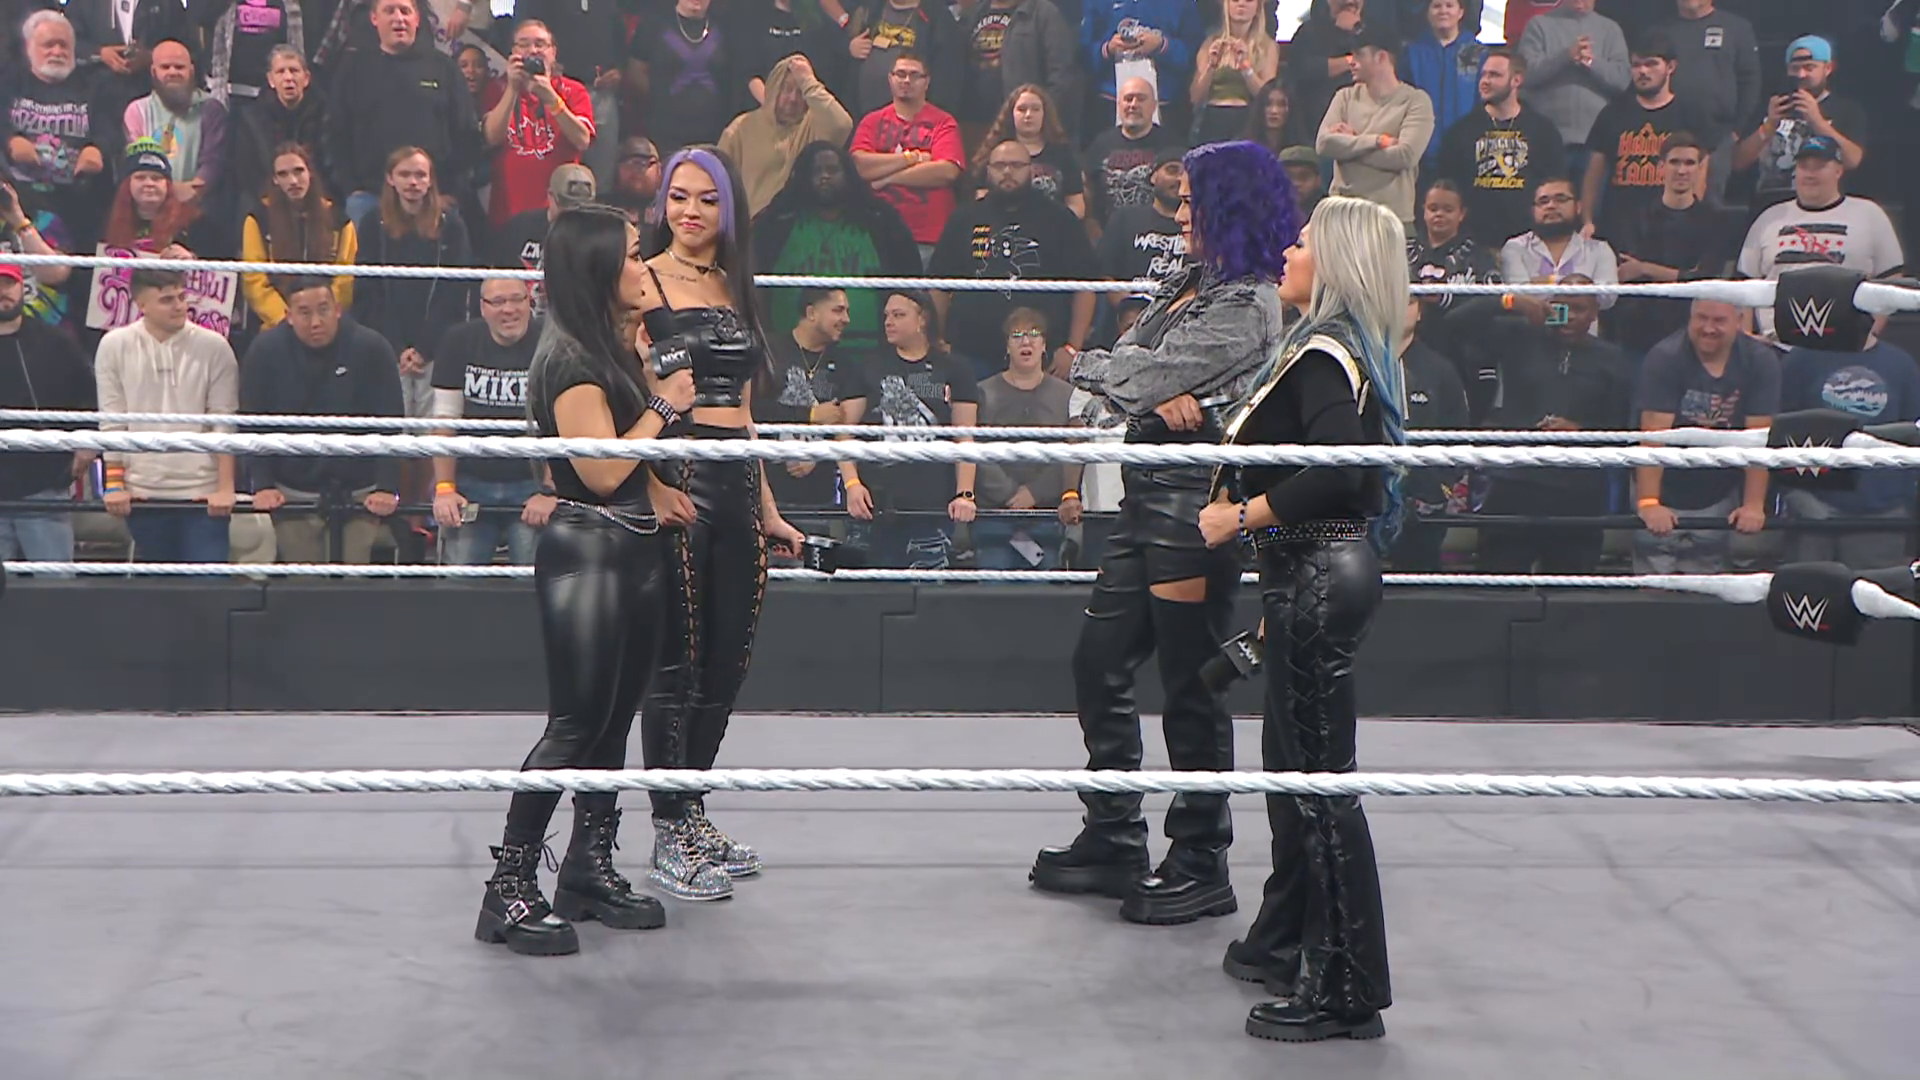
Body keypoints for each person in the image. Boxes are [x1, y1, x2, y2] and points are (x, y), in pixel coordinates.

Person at [1032, 141, 1295, 926]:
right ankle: (1114, 833)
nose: (1178, 214)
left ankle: (1201, 857)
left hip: (1193, 502)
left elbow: (1136, 375)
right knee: (1098, 661)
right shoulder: (1189, 283)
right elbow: (1136, 369)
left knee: (1189, 682)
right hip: (1145, 493)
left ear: (1227, 210)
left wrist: (1101, 371)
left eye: (1190, 202)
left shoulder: (1249, 303)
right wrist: (1138, 384)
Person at [1196, 195, 1405, 1043]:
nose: (1288, 250)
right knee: (1294, 776)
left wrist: (1239, 518)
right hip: (1309, 570)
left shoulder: (1325, 354)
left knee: (1320, 788)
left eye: (1306, 241)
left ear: (1338, 262)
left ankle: (1347, 989)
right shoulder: (1333, 347)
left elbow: (1337, 475)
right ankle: (1289, 939)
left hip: (1318, 570)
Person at [475, 205, 698, 957]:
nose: (646, 265)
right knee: (574, 725)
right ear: (599, 268)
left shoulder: (610, 344)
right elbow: (600, 471)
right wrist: (664, 406)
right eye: (633, 255)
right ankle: (508, 887)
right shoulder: (570, 357)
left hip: (632, 548)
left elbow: (627, 463)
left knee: (611, 722)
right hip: (589, 552)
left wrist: (656, 481)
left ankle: (587, 867)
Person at [635, 146, 807, 901]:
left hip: (735, 476)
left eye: (707, 199)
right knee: (676, 661)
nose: (691, 211)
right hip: (678, 469)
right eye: (679, 196)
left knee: (727, 658)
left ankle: (692, 809)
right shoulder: (641, 280)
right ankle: (668, 828)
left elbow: (745, 411)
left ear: (729, 209)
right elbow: (624, 393)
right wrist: (646, 484)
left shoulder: (735, 285)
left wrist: (767, 508)